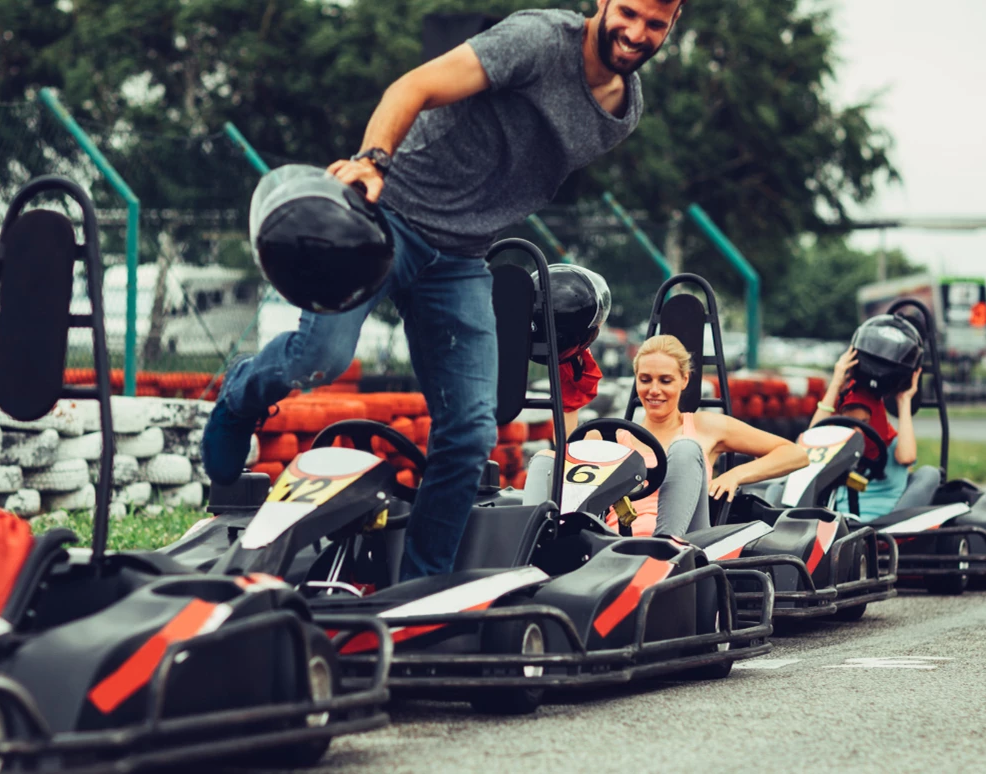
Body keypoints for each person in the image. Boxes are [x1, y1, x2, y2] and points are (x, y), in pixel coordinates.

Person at [201, 0, 687, 581]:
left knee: (470, 430)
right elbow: (414, 86)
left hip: (460, 258)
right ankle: (240, 395)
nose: (635, 32)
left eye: (654, 24)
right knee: (321, 356)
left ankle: (422, 587)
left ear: (672, 24)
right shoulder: (537, 40)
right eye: (627, 13)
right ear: (602, 3)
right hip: (390, 219)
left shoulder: (624, 112)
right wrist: (371, 160)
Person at [527, 334, 810, 538]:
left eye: (665, 380)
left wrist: (735, 475)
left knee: (685, 448)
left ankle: (662, 552)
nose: (654, 390)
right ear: (636, 378)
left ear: (684, 380)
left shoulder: (705, 427)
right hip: (615, 546)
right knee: (545, 459)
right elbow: (567, 456)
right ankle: (529, 565)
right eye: (646, 379)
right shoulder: (616, 438)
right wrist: (568, 378)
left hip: (686, 546)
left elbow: (796, 454)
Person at [808, 345, 922, 521]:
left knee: (930, 474)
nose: (858, 432)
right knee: (777, 488)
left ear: (876, 420)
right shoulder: (839, 448)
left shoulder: (893, 446)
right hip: (840, 524)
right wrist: (836, 383)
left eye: (864, 423)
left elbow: (907, 457)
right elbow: (811, 442)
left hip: (882, 527)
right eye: (850, 423)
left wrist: (904, 400)